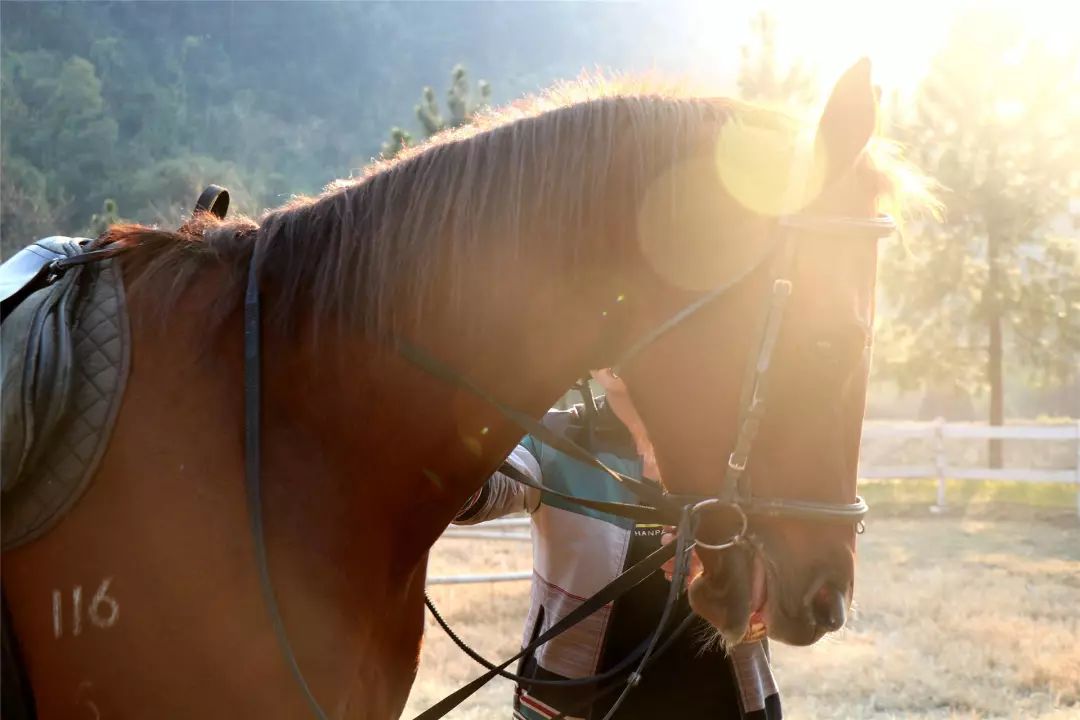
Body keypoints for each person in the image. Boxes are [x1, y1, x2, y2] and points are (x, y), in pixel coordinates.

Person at [453, 369, 782, 720]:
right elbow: (465, 498)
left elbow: (793, 588)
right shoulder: (551, 437)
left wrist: (726, 566)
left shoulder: (738, 449)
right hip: (572, 705)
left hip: (724, 702)